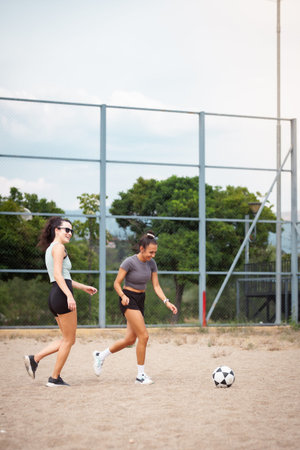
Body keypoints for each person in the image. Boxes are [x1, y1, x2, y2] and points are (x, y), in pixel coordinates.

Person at [93, 230, 177, 385]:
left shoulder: (152, 264)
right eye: (150, 252)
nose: (153, 255)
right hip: (128, 299)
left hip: (140, 299)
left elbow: (156, 286)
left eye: (155, 252)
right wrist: (123, 296)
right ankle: (140, 376)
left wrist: (167, 301)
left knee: (130, 339)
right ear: (141, 249)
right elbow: (116, 283)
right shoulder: (129, 262)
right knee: (144, 336)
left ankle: (100, 355)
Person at [24, 216, 97, 387]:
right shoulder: (59, 248)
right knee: (69, 340)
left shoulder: (52, 248)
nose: (69, 233)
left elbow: (63, 277)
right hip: (61, 296)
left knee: (67, 339)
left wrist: (82, 287)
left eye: (71, 230)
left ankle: (35, 359)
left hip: (55, 294)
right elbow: (58, 275)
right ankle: (54, 378)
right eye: (66, 229)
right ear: (56, 230)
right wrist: (70, 296)